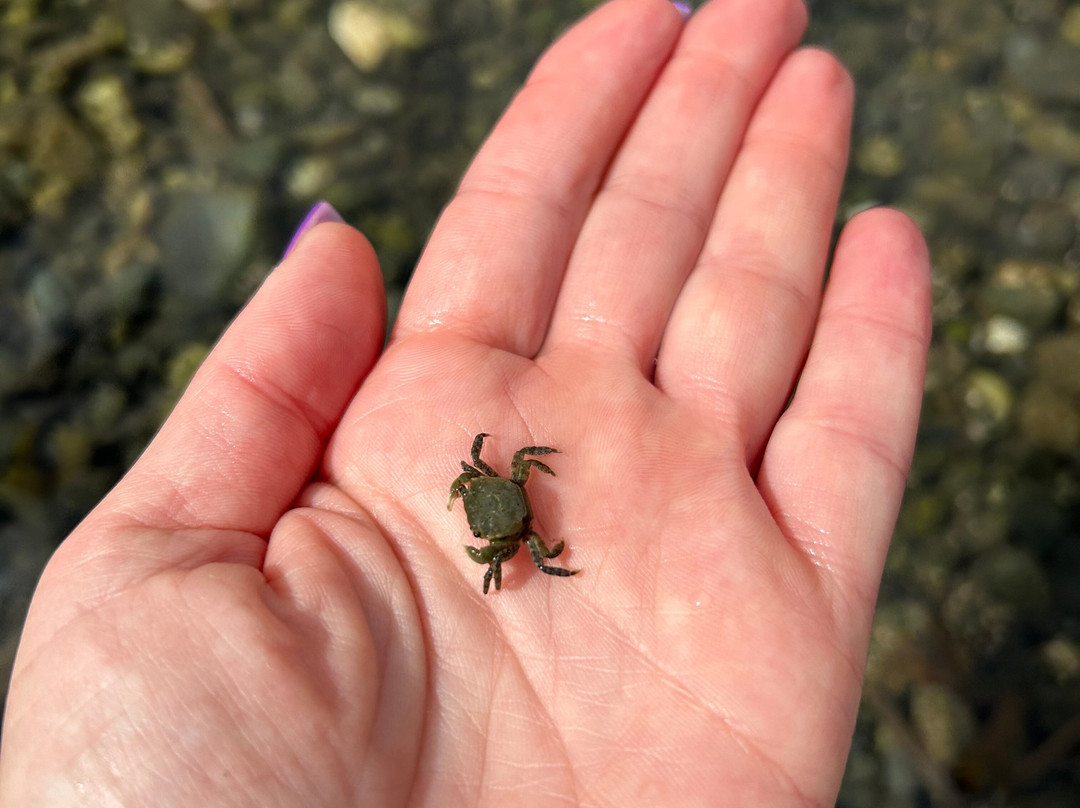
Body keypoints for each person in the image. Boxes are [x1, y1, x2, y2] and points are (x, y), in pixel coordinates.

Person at [0, 0, 931, 804]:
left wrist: (510, 515)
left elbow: (506, 494)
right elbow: (517, 517)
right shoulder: (509, 519)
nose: (507, 531)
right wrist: (519, 527)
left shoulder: (498, 507)